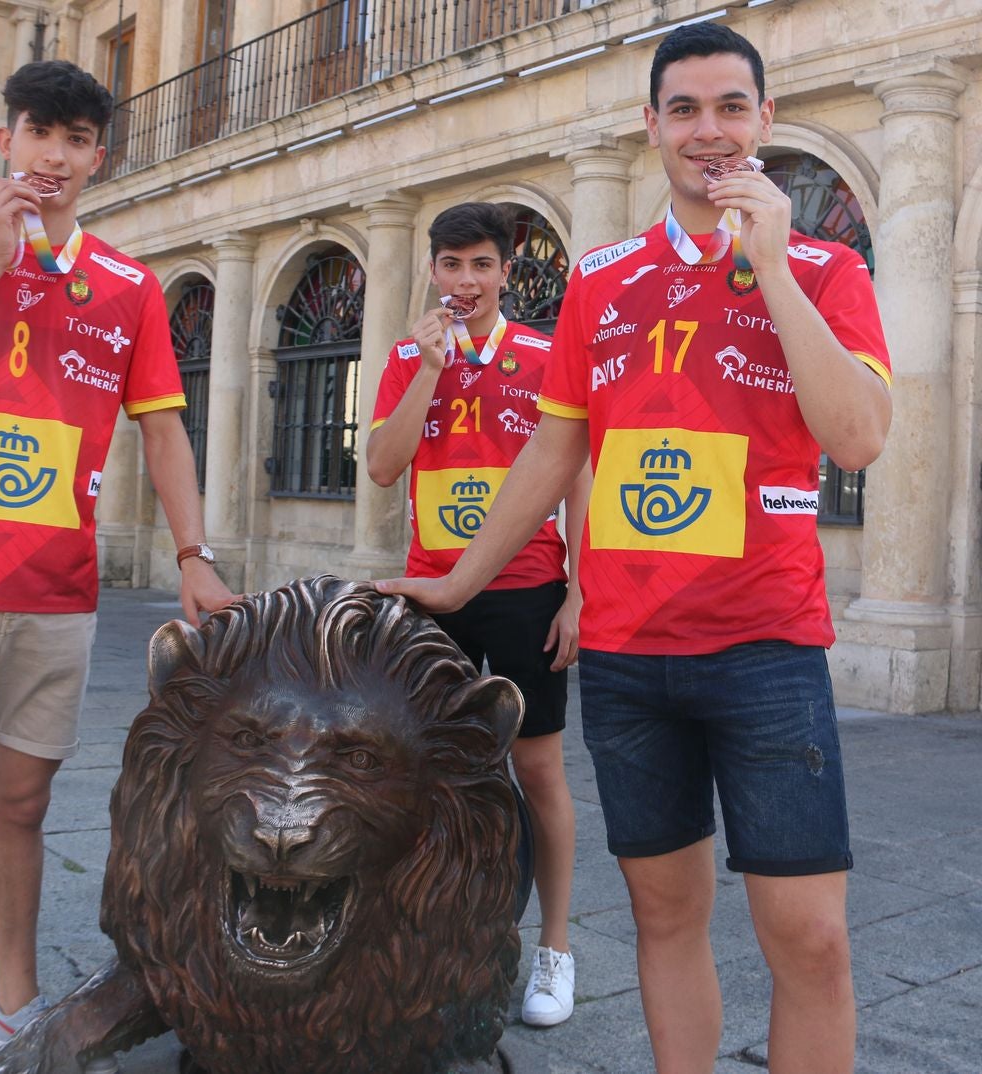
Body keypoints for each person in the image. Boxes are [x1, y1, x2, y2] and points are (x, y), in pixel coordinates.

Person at [377, 24, 891, 1074]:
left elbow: (859, 436)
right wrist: (460, 580)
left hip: (765, 649)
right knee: (666, 919)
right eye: (687, 110)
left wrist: (773, 268)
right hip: (628, 660)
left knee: (812, 938)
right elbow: (553, 451)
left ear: (765, 119)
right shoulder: (602, 281)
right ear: (652, 125)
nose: (710, 131)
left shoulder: (828, 269)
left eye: (731, 107)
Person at [0, 61, 233, 1074]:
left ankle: (11, 1006)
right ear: (6, 140)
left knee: (22, 809)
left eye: (74, 139)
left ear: (96, 156)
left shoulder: (128, 287)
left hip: (53, 599)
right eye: (37, 133)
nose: (53, 155)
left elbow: (163, 433)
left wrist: (194, 555)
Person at [366, 202, 587, 1027]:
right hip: (431, 592)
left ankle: (555, 950)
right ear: (432, 270)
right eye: (451, 265)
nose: (465, 282)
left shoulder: (542, 354)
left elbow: (577, 481)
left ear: (506, 272)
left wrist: (581, 592)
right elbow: (385, 469)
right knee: (419, 770)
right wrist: (429, 368)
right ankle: (425, 934)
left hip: (528, 590)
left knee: (537, 773)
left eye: (481, 266)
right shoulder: (402, 357)